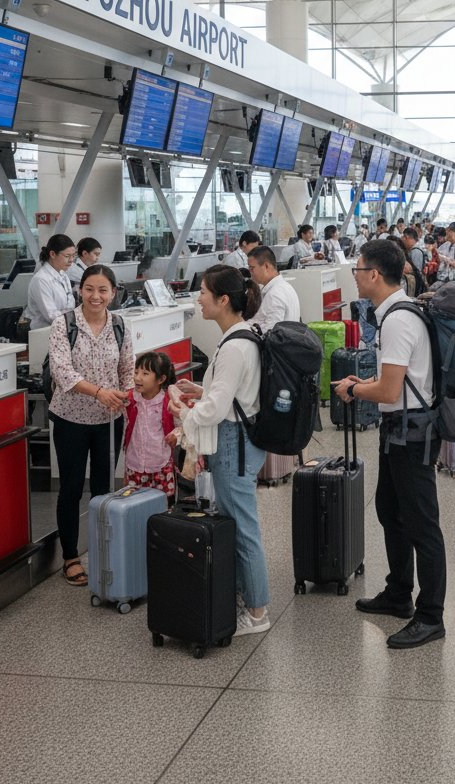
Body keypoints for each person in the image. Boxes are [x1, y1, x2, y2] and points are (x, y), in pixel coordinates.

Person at [333, 239, 446, 649]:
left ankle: (431, 615)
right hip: (398, 428)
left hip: (411, 433)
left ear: (374, 275)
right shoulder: (396, 312)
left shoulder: (398, 319)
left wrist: (353, 389)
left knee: (421, 524)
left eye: (358, 269)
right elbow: (394, 385)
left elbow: (389, 389)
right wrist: (365, 385)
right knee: (390, 510)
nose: (355, 276)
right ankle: (399, 593)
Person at [168, 265, 271, 636]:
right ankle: (248, 598)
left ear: (223, 300)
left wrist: (184, 411)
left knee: (243, 528)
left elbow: (216, 409)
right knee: (241, 522)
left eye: (204, 292)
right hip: (243, 438)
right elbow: (231, 394)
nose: (198, 298)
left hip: (232, 443)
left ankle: (258, 612)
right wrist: (201, 392)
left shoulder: (233, 345)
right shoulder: (244, 335)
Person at [47, 264, 134, 586]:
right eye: (89, 289)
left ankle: (101, 551)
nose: (95, 296)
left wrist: (124, 394)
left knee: (103, 489)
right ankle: (70, 556)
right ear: (79, 290)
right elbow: (62, 371)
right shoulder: (64, 324)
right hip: (71, 418)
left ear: (113, 293)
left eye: (102, 290)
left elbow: (128, 367)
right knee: (70, 488)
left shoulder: (120, 325)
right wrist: (99, 392)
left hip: (109, 419)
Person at [124, 351, 179, 500]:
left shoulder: (169, 401)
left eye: (145, 373)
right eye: (136, 372)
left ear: (161, 379)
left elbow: (182, 424)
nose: (137, 378)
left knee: (161, 506)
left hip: (160, 464)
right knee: (133, 506)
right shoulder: (130, 399)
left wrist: (177, 435)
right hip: (134, 463)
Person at [24, 234, 77, 331]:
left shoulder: (63, 275)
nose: (71, 260)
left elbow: (71, 304)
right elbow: (51, 315)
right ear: (52, 254)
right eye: (67, 256)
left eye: (73, 256)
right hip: (42, 332)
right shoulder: (41, 279)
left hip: (64, 327)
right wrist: (72, 316)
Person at [247, 245, 300, 332]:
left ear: (266, 266)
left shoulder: (275, 294)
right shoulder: (284, 286)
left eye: (252, 268)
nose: (250, 272)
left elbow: (270, 332)